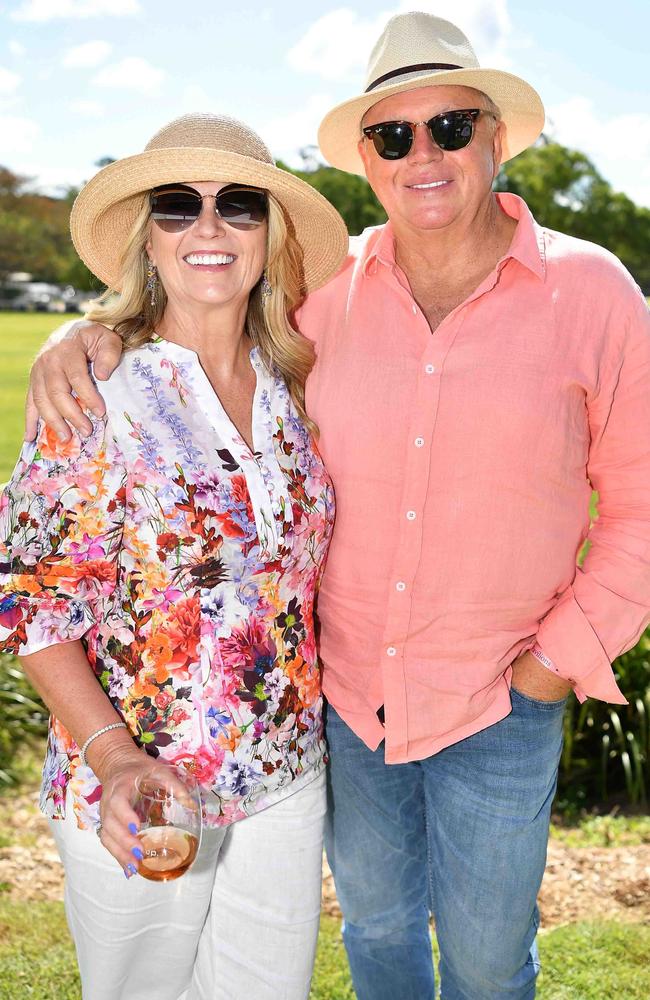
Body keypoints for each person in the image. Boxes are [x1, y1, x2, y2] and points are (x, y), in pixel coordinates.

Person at [23, 12, 650, 1000]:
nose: (422, 154)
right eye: (392, 135)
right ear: (367, 157)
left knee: (487, 966)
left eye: (448, 126)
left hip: (467, 711)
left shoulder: (586, 293)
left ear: (494, 137)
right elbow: (39, 586)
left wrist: (544, 672)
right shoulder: (317, 302)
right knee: (374, 941)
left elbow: (641, 513)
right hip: (325, 721)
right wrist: (83, 340)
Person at [0, 112, 348, 1000]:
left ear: (269, 237)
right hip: (138, 786)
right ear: (145, 241)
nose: (208, 228)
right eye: (175, 207)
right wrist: (117, 758)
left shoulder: (297, 386)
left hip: (282, 774)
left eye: (238, 205)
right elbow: (33, 603)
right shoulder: (95, 388)